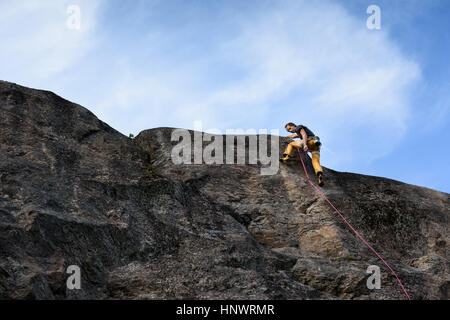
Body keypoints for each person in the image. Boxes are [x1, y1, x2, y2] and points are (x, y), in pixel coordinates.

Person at [280, 122, 324, 187]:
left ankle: (286, 156)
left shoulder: (299, 127)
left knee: (291, 144)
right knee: (315, 161)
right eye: (288, 131)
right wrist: (284, 137)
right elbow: (293, 136)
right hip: (316, 147)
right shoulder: (298, 131)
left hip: (309, 142)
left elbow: (304, 134)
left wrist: (305, 145)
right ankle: (319, 175)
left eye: (290, 128)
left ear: (293, 125)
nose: (290, 131)